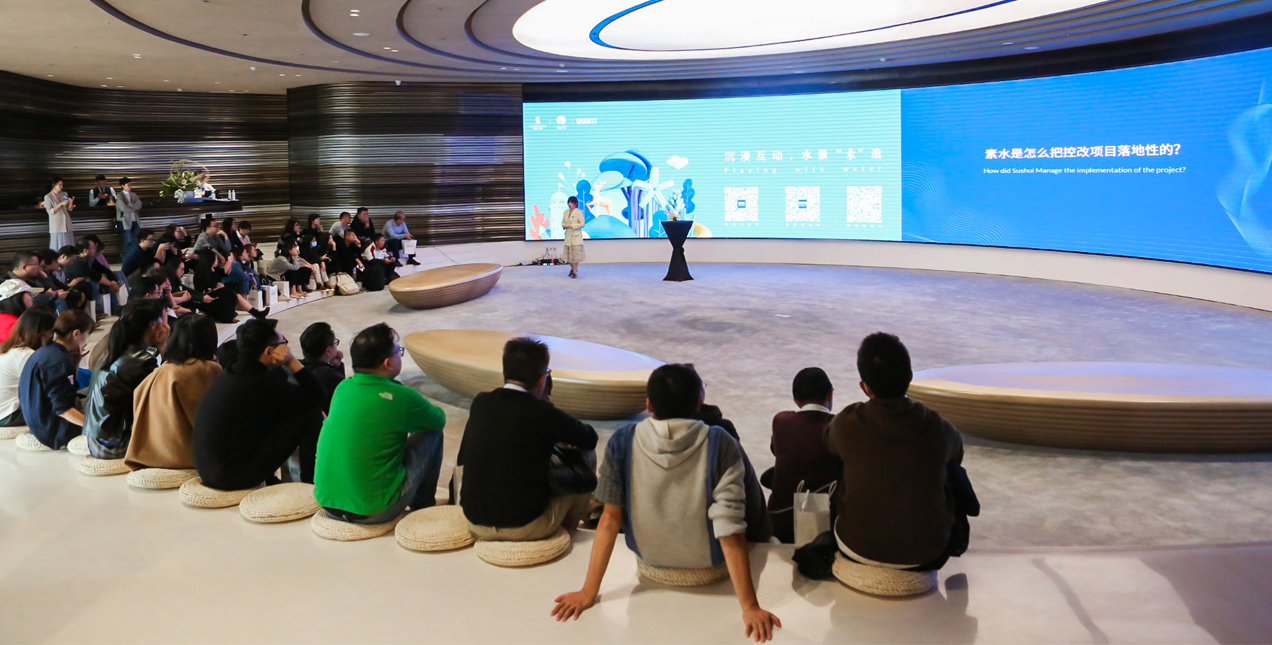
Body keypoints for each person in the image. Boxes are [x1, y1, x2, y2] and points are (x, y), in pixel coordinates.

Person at [552, 364, 781, 643]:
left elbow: (610, 519)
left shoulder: (622, 441)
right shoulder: (720, 442)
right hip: (710, 561)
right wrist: (750, 607)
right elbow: (728, 526)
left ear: (648, 404)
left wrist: (588, 592)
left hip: (650, 558)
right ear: (699, 402)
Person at [825, 332, 965, 572]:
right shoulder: (941, 429)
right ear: (909, 378)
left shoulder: (845, 423)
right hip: (927, 553)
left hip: (856, 546)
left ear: (864, 387)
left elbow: (828, 444)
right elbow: (957, 457)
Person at [459, 337, 597, 541]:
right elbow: (589, 438)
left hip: (475, 520)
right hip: (524, 526)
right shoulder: (544, 412)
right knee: (585, 460)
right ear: (542, 380)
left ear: (504, 372)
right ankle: (568, 531)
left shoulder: (481, 402)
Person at [315, 323, 447, 524]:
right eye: (398, 351)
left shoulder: (343, 388)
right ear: (388, 363)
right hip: (374, 511)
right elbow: (438, 420)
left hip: (328, 504)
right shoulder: (401, 395)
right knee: (432, 434)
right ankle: (423, 507)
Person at [193, 318, 325, 489]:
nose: (286, 348)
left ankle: (275, 479)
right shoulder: (261, 382)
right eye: (283, 344)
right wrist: (291, 361)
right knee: (311, 414)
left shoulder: (234, 370)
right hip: (231, 477)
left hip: (210, 470)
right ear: (269, 352)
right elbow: (317, 394)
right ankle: (309, 485)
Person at [125, 314, 222, 471]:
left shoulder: (162, 369)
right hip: (185, 456)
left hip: (149, 454)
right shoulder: (206, 369)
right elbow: (211, 423)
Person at [81, 299, 168, 460]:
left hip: (96, 439)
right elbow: (166, 391)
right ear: (153, 325)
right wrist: (163, 347)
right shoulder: (140, 361)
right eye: (164, 319)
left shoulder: (116, 349)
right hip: (114, 445)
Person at [767, 367, 841, 544]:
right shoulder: (839, 426)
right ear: (830, 394)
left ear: (796, 401)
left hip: (781, 520)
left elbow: (776, 449)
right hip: (828, 523)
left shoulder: (781, 421)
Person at [19, 309, 94, 450]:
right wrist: (93, 427)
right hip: (54, 431)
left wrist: (76, 362)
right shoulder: (59, 361)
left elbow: (64, 389)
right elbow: (63, 409)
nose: (87, 340)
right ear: (76, 334)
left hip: (38, 421)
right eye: (87, 334)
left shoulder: (45, 351)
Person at [0, 307, 57, 428]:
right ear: (44, 332)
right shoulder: (26, 355)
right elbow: (51, 388)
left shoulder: (9, 348)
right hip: (9, 414)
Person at [299, 322, 345, 414]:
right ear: (328, 350)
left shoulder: (297, 367)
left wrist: (336, 366)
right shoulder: (329, 376)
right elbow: (343, 397)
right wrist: (338, 368)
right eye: (335, 343)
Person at [44, 177, 75, 250]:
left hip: (66, 222)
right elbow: (50, 211)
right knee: (58, 243)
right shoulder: (48, 197)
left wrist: (71, 202)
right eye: (59, 185)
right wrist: (60, 204)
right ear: (54, 185)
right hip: (57, 224)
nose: (61, 186)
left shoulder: (64, 194)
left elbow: (69, 208)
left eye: (62, 185)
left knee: (68, 242)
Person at [562, 196, 586, 279]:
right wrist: (564, 225)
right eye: (569, 202)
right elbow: (563, 222)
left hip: (576, 237)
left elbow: (582, 224)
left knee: (576, 257)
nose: (570, 204)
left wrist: (572, 226)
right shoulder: (566, 212)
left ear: (575, 203)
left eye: (571, 203)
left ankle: (575, 272)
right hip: (568, 237)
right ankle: (572, 269)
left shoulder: (579, 212)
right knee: (568, 257)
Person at [116, 177, 143, 247]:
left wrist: (129, 205)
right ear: (122, 186)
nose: (130, 186)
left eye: (130, 184)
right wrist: (133, 208)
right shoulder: (119, 195)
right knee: (128, 240)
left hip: (135, 220)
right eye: (128, 185)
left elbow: (139, 205)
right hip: (125, 221)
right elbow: (123, 207)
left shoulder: (133, 195)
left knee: (140, 237)